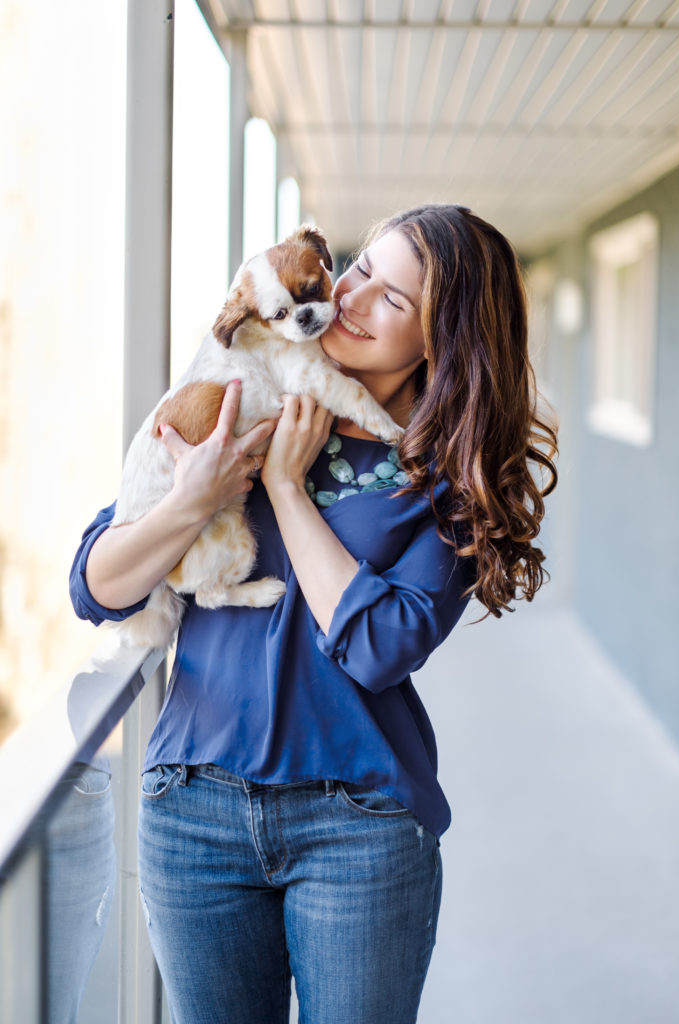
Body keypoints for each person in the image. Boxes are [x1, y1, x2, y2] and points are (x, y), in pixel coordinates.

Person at [70, 204, 557, 1024]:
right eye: (361, 269)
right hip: (193, 809)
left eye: (393, 301)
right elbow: (99, 586)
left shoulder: (444, 478)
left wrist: (288, 489)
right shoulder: (238, 387)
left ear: (440, 341)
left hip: (357, 823)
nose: (352, 301)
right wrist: (191, 500)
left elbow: (375, 646)